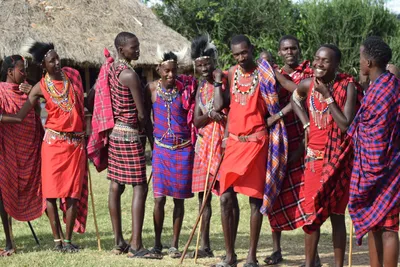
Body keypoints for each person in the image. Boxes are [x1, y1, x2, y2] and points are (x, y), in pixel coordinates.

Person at [212, 34, 295, 267]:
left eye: (244, 53)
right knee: (226, 197)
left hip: (257, 143)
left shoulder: (266, 72)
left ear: (251, 49)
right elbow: (220, 106)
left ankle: (251, 256)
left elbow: (298, 91)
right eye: (236, 54)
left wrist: (277, 115)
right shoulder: (230, 73)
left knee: (255, 201)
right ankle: (229, 256)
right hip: (234, 143)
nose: (240, 58)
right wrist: (218, 81)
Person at [1, 42, 88, 252]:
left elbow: (82, 106)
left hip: (75, 145)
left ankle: (67, 241)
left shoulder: (73, 77)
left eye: (58, 59)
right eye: (52, 61)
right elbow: (20, 116)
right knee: (50, 193)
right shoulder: (40, 87)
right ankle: (58, 242)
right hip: (52, 144)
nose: (57, 63)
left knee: (73, 193)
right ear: (43, 65)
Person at [291, 44, 363, 267]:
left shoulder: (347, 86)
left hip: (338, 161)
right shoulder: (307, 85)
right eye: (316, 59)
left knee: (337, 216)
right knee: (312, 217)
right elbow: (294, 98)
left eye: (325, 61)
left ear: (336, 65)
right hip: (314, 160)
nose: (318, 64)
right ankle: (310, 263)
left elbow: (345, 125)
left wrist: (328, 97)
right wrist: (305, 125)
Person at [87, 32, 156, 258]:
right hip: (129, 134)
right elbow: (142, 114)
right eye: (133, 47)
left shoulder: (109, 71)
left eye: (138, 46)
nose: (137, 50)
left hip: (115, 134)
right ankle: (136, 245)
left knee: (116, 185)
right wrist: (150, 136)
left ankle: (118, 242)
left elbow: (92, 97)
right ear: (120, 49)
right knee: (140, 186)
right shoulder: (129, 75)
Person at [348, 36, 399, 267]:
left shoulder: (385, 90)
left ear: (368, 62)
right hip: (379, 167)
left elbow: (377, 136)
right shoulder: (384, 85)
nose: (359, 62)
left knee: (388, 228)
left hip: (386, 170)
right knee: (373, 224)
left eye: (360, 57)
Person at [265, 35, 314, 266]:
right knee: (274, 192)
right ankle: (276, 250)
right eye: (285, 48)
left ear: (299, 49)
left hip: (303, 138)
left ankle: (310, 255)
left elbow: (300, 96)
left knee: (307, 197)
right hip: (277, 142)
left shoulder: (308, 75)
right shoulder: (271, 74)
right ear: (279, 51)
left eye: (293, 48)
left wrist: (279, 115)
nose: (289, 52)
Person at [146, 48, 196, 259]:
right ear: (158, 69)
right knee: (159, 199)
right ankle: (157, 244)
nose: (170, 75)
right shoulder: (150, 89)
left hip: (183, 150)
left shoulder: (185, 89)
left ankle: (174, 245)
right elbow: (144, 117)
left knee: (178, 199)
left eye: (174, 71)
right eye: (166, 71)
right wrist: (153, 142)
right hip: (161, 149)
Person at [187, 35, 227, 258]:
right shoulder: (201, 87)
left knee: (225, 197)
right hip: (204, 147)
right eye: (199, 65)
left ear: (213, 62)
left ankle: (228, 247)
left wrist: (212, 112)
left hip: (221, 145)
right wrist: (211, 115)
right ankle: (204, 244)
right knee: (204, 198)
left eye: (206, 64)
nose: (203, 68)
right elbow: (197, 120)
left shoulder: (224, 82)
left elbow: (221, 105)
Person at [0, 55, 44, 256]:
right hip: (6, 150)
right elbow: (15, 118)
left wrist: (33, 96)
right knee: (2, 194)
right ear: (10, 72)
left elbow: (35, 114)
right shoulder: (1, 91)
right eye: (21, 70)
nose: (25, 73)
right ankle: (9, 241)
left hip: (28, 151)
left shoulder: (28, 89)